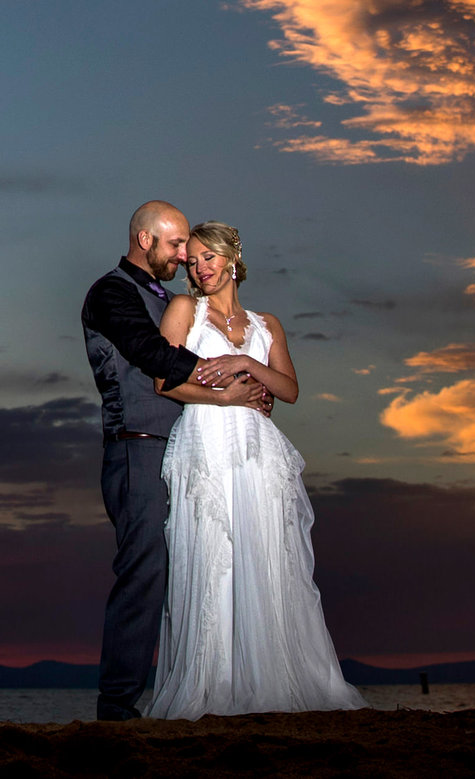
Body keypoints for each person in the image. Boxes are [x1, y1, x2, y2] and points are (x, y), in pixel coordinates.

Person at [142, 221, 364, 717]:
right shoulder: (183, 310)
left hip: (258, 449)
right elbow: (163, 382)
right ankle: (213, 683)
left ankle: (275, 678)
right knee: (213, 552)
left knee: (267, 552)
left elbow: (288, 390)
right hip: (206, 439)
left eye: (210, 257)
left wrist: (248, 365)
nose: (201, 268)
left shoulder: (268, 324)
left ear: (232, 259)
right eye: (193, 260)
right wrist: (223, 400)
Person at [79, 201, 268, 721]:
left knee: (197, 567)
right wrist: (235, 382)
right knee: (144, 572)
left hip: (185, 450)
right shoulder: (111, 292)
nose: (185, 255)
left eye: (188, 246)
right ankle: (117, 709)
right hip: (136, 446)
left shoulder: (172, 297)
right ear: (144, 240)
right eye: (175, 244)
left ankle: (207, 689)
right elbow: (150, 352)